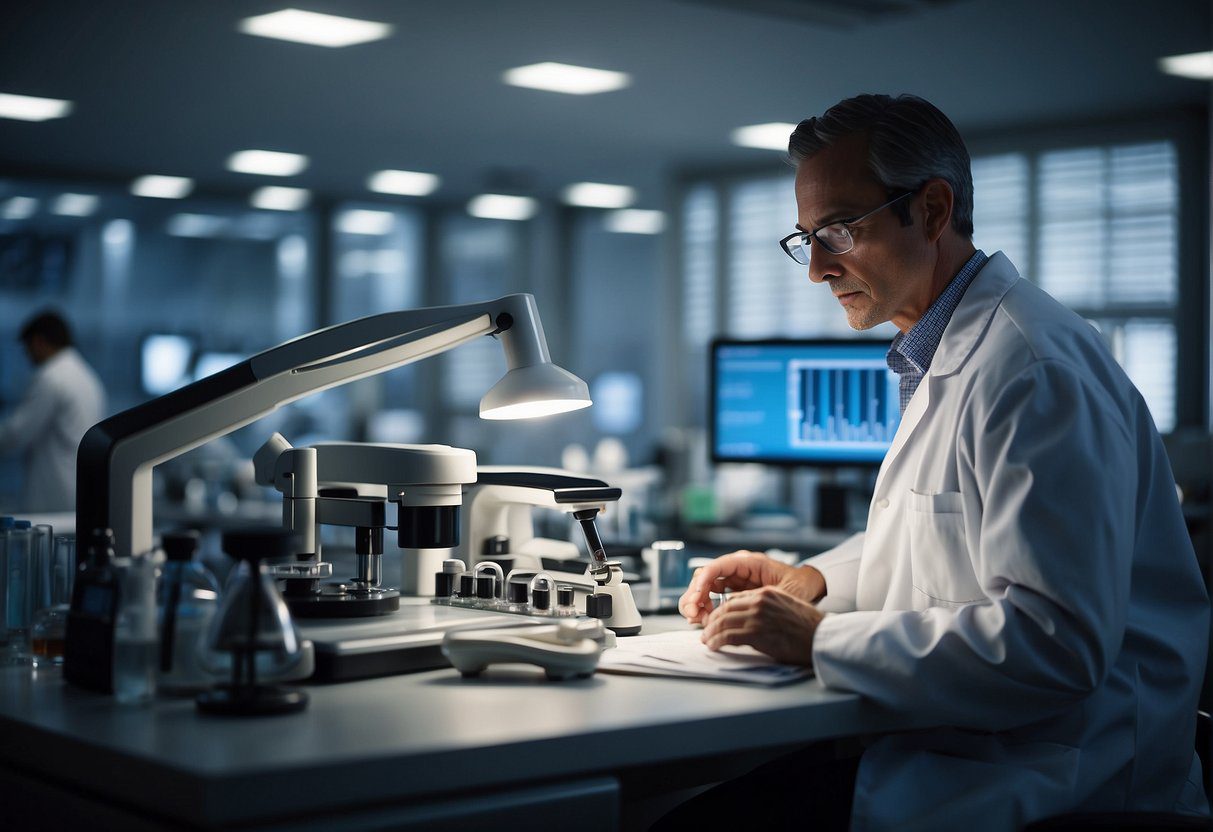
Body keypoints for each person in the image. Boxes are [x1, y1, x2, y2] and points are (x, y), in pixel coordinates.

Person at [673, 94, 1210, 830]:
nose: (817, 269)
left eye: (836, 230)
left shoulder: (1031, 366)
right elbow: (947, 539)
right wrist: (812, 580)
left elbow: (1055, 647)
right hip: (962, 755)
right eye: (806, 238)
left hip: (1060, 784)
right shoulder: (947, 349)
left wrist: (819, 639)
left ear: (929, 209)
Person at [0, 311, 106, 512]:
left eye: (27, 349)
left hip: (54, 491)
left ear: (39, 342)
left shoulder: (51, 377)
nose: (27, 356)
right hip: (79, 488)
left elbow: (16, 434)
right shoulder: (88, 377)